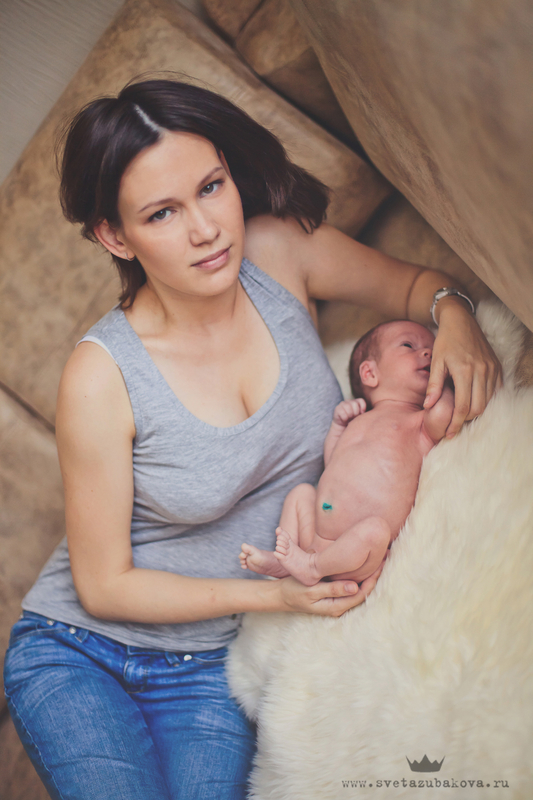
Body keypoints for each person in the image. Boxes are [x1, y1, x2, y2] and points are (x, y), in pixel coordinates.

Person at [3, 79, 501, 800]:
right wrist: (277, 597)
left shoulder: (276, 252)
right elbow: (103, 585)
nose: (206, 229)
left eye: (211, 187)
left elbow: (418, 284)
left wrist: (453, 314)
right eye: (162, 213)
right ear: (115, 236)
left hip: (212, 670)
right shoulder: (100, 375)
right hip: (81, 654)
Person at [240, 320, 454, 586]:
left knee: (376, 531)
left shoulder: (419, 422)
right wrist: (338, 426)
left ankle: (314, 566)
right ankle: (286, 561)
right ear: (369, 373)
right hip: (316, 536)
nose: (428, 353)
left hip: (355, 555)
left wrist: (446, 375)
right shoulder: (358, 419)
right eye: (409, 345)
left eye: (433, 351)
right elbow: (333, 463)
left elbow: (444, 412)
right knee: (301, 493)